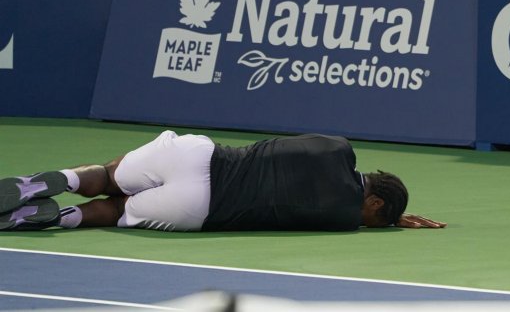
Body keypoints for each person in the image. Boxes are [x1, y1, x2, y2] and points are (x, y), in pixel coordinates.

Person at [0, 131, 444, 232]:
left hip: (202, 152)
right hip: (202, 206)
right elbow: (357, 213)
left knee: (112, 173)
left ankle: (57, 181)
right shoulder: (347, 217)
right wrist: (394, 222)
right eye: (379, 219)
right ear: (375, 206)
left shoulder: (338, 146)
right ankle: (62, 216)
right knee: (118, 209)